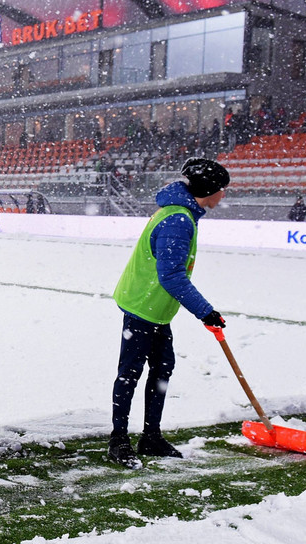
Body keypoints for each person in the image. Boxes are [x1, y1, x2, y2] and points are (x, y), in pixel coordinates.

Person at [108, 158, 231, 469]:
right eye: (222, 190)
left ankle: (150, 436)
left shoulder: (182, 213)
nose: (224, 195)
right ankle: (118, 440)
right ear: (210, 191)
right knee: (131, 373)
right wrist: (206, 312)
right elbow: (172, 275)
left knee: (162, 369)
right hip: (142, 306)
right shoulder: (178, 219)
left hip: (157, 309)